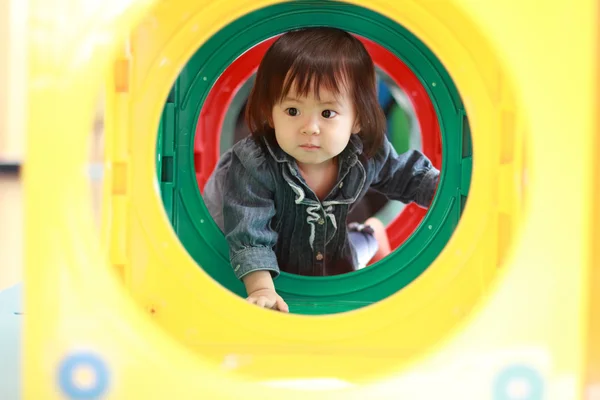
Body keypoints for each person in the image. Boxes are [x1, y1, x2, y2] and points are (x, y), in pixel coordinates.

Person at [203, 27, 439, 312]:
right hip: (273, 265)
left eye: (327, 113)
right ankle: (367, 235)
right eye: (292, 111)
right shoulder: (254, 164)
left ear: (358, 120)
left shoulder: (365, 154)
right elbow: (248, 231)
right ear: (270, 112)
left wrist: (451, 190)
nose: (309, 128)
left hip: (334, 256)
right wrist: (262, 288)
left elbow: (408, 176)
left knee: (354, 258)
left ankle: (372, 234)